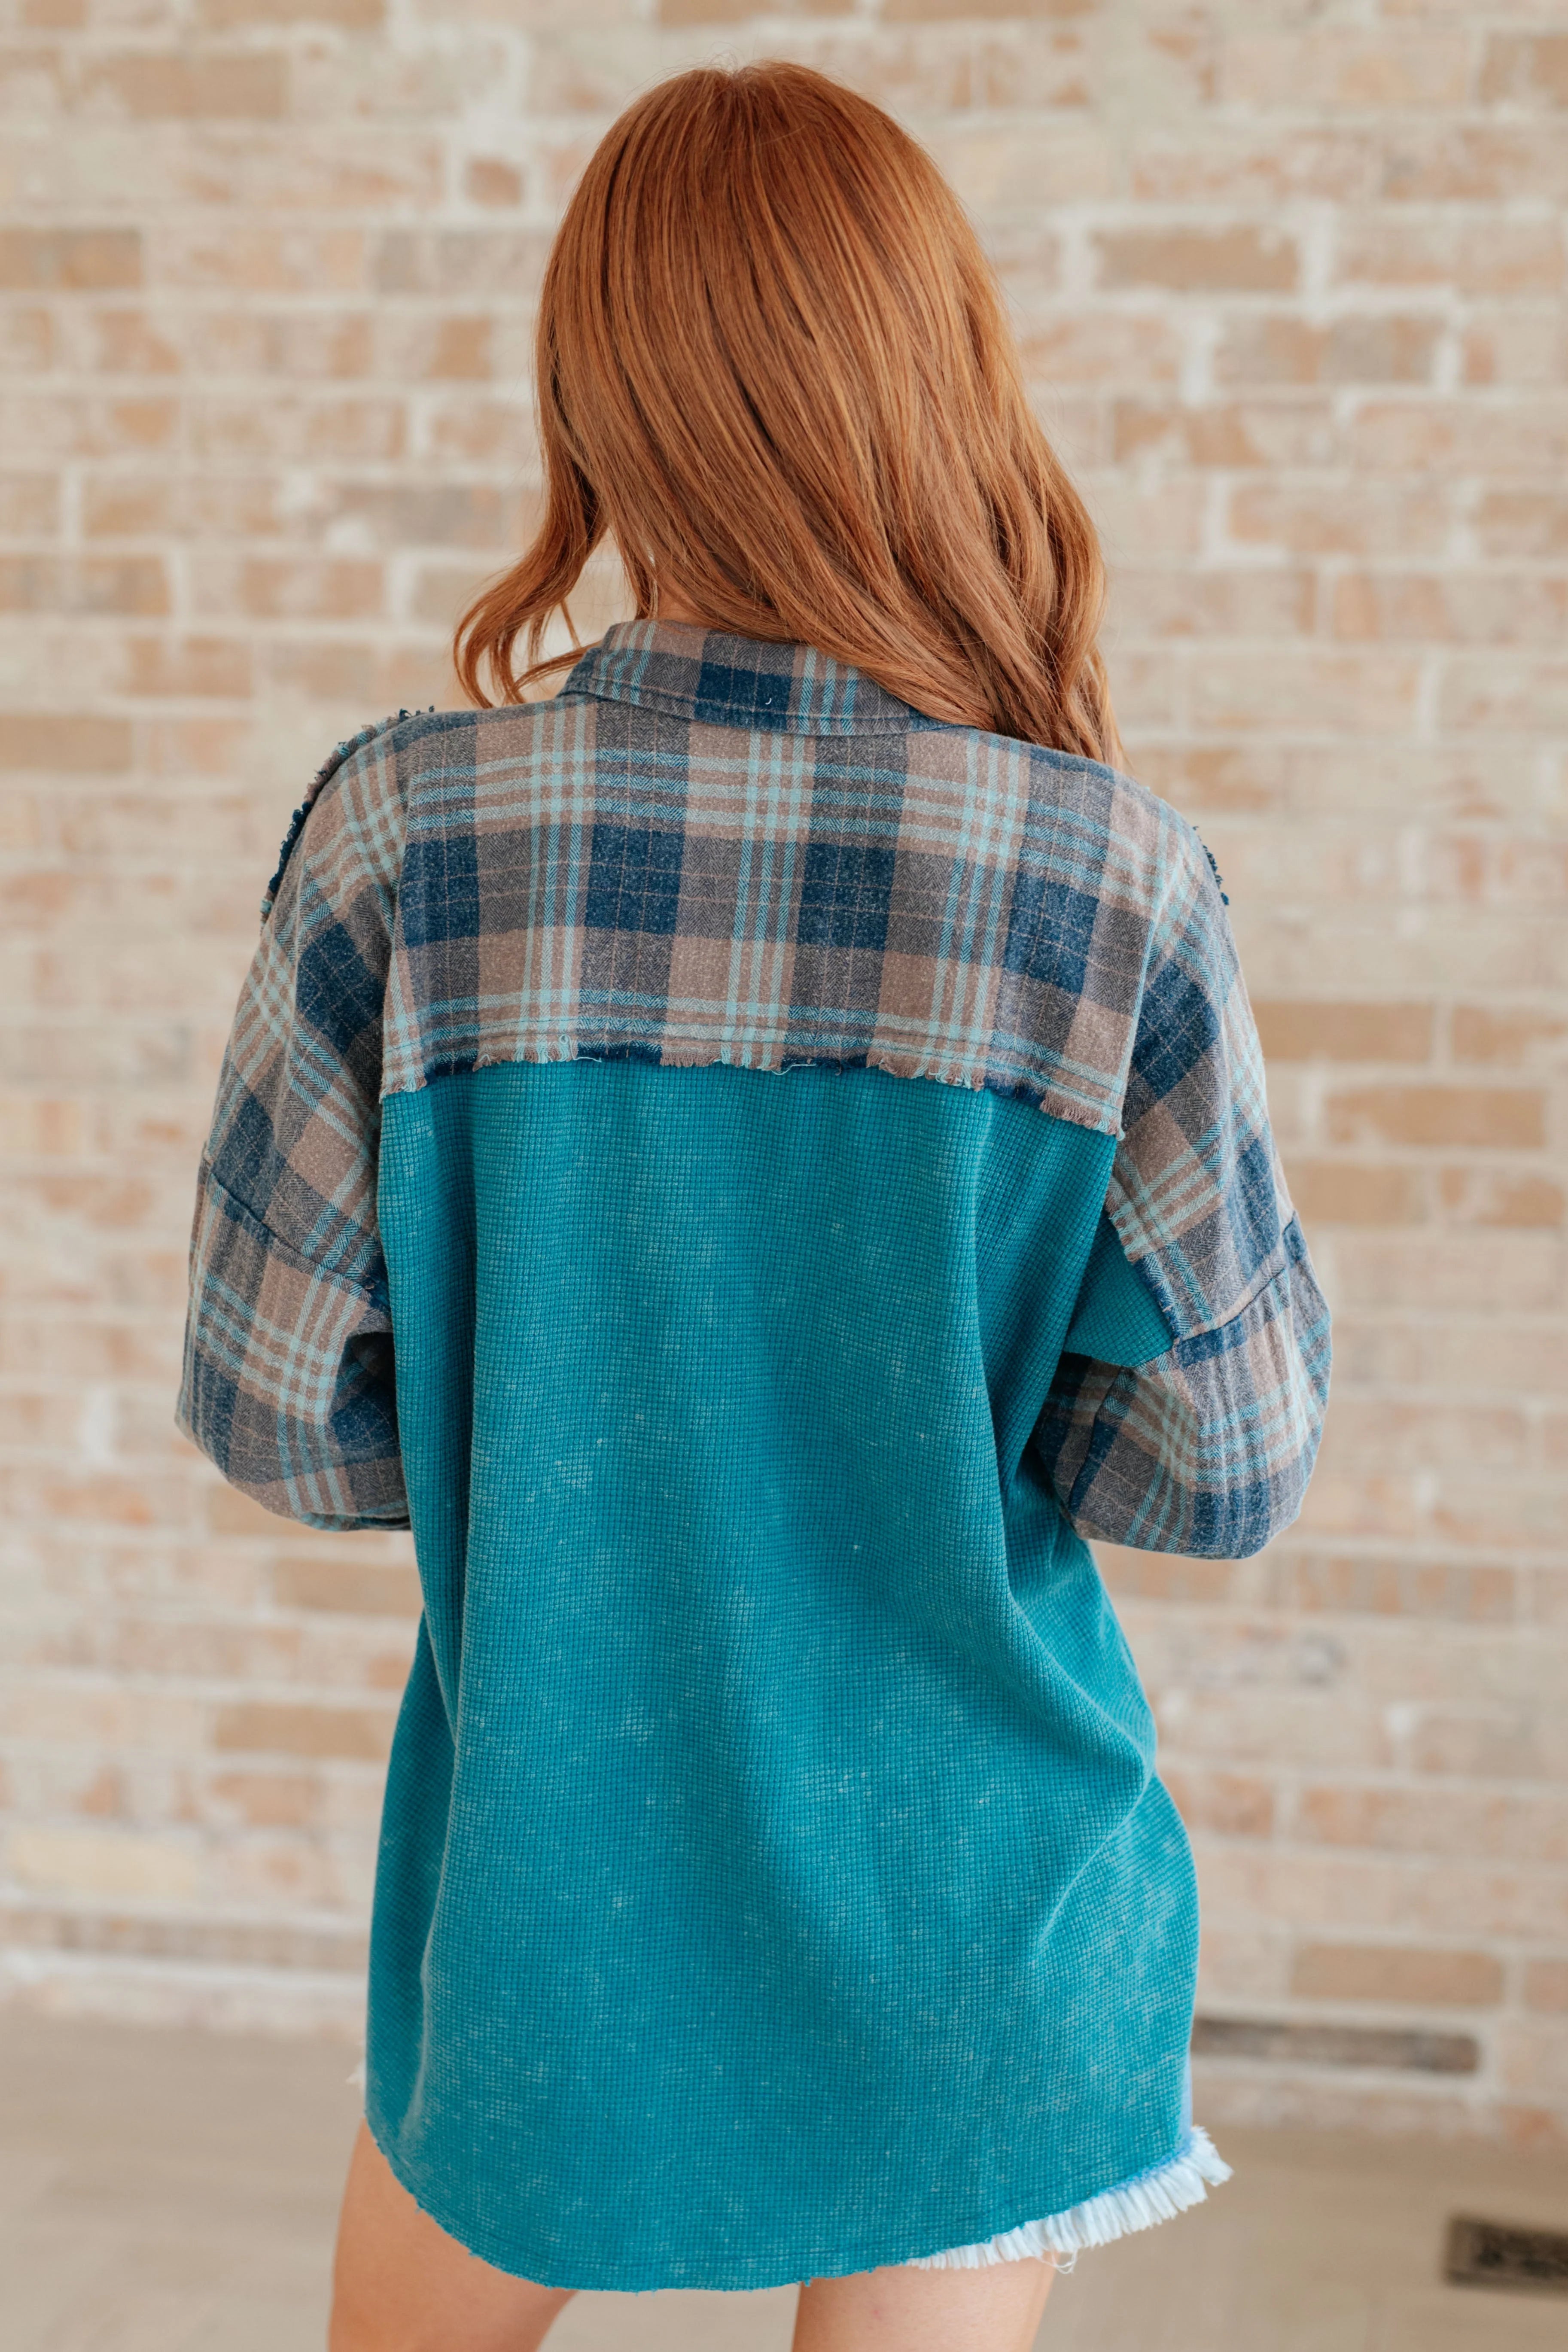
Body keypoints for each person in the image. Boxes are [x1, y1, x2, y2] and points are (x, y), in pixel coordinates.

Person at [177, 59, 1331, 2352]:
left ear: (598, 399)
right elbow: (1224, 1463)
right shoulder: (1108, 881)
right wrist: (928, 1434)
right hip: (966, 1918)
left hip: (549, 1890)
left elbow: (279, 1405)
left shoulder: (406, 839)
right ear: (933, 379)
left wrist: (569, 1441)